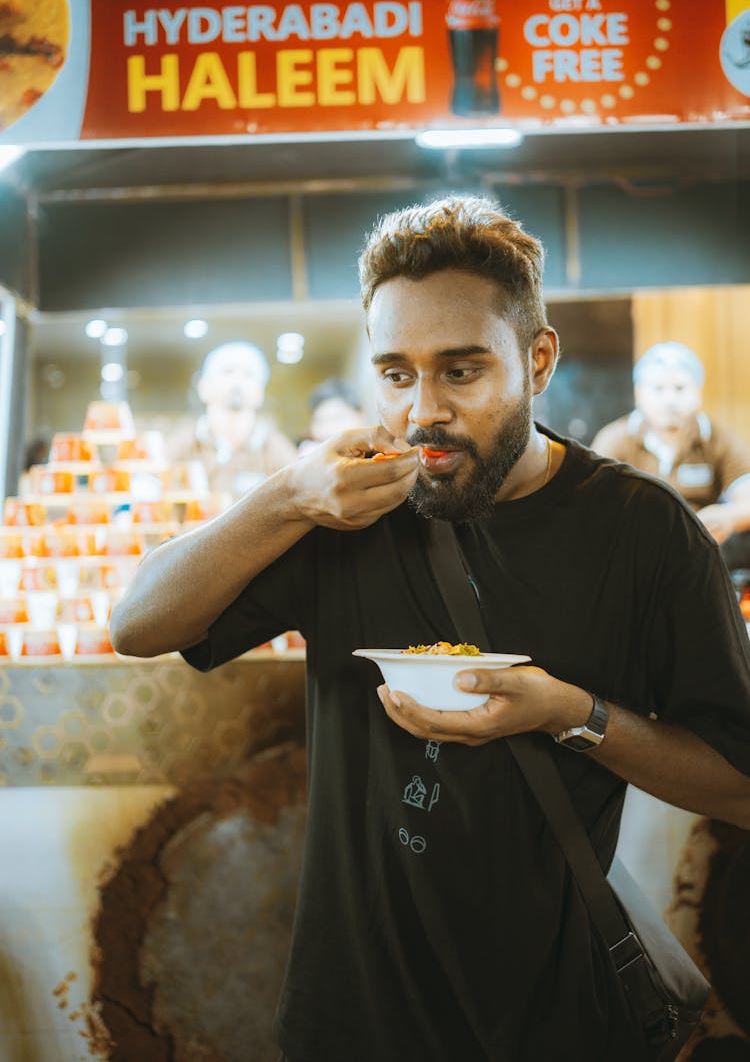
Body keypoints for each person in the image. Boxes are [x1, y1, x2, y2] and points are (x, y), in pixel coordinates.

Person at [110, 196, 750, 1062]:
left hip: (558, 1023)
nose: (423, 413)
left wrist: (566, 709)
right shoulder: (347, 509)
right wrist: (287, 495)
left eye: (461, 371)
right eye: (397, 373)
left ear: (538, 358)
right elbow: (138, 623)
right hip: (351, 1021)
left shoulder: (643, 532)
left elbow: (738, 783)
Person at [591, 342, 750, 566]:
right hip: (632, 556)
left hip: (701, 555)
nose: (669, 400)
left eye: (679, 388)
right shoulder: (615, 439)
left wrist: (727, 518)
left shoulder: (718, 439)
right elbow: (591, 505)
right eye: (658, 389)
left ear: (698, 392)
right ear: (639, 393)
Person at [167, 340, 297, 497]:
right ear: (203, 387)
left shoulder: (279, 450)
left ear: (260, 392)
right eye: (227, 371)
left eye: (248, 374)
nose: (237, 381)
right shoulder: (180, 445)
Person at [297, 377, 368, 456]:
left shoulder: (381, 452)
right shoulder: (309, 455)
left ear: (361, 415)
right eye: (320, 422)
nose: (327, 430)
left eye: (337, 419)